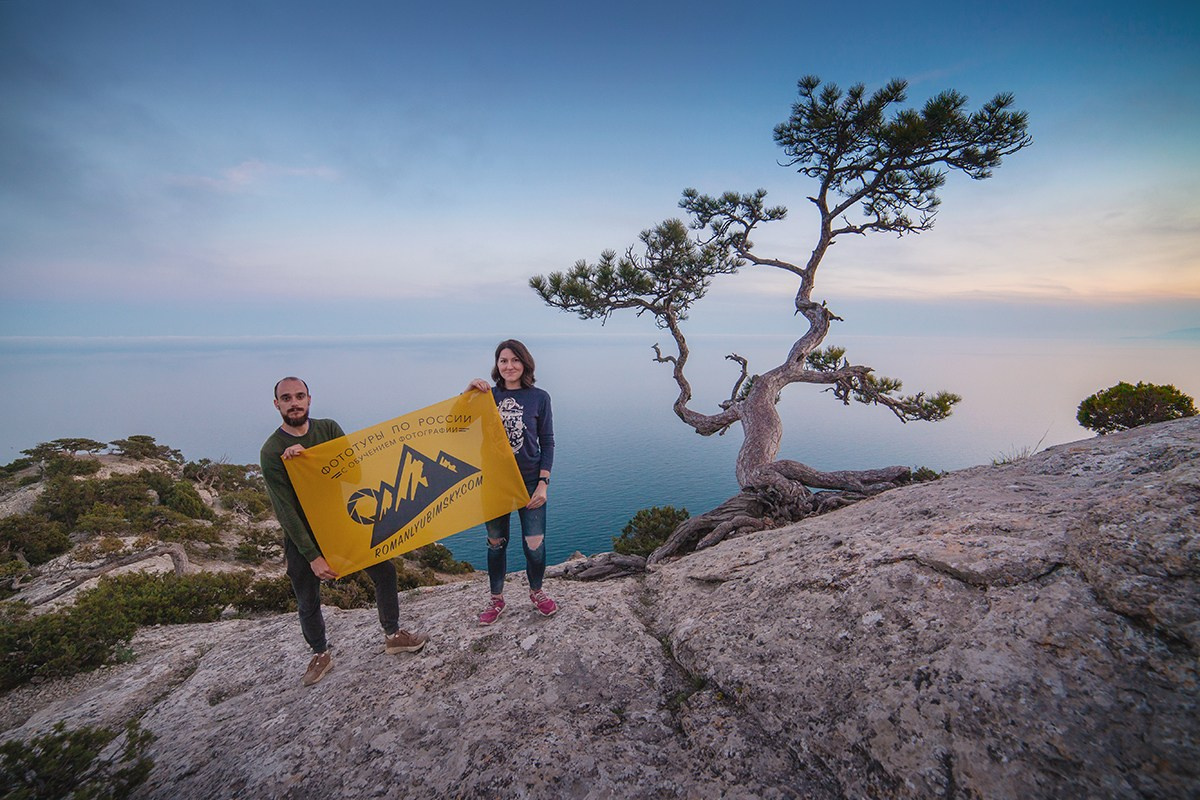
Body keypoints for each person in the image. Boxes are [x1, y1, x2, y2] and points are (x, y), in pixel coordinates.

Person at [260, 376, 429, 687]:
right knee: (307, 596)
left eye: (300, 396)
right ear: (277, 404)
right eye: (287, 398)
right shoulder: (272, 451)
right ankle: (320, 653)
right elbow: (285, 510)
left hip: (342, 523)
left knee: (385, 572)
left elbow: (354, 472)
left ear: (309, 399)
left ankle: (393, 635)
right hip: (303, 535)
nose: (294, 403)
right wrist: (312, 555)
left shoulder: (329, 429)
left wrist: (311, 459)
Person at [466, 339, 558, 624]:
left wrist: (543, 483)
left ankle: (537, 591)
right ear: (497, 365)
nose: (509, 366)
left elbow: (548, 442)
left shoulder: (540, 397)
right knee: (496, 543)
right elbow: (454, 424)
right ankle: (496, 599)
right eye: (503, 361)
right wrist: (467, 392)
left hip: (530, 480)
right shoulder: (485, 397)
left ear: (525, 363)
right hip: (495, 481)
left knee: (534, 543)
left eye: (515, 360)